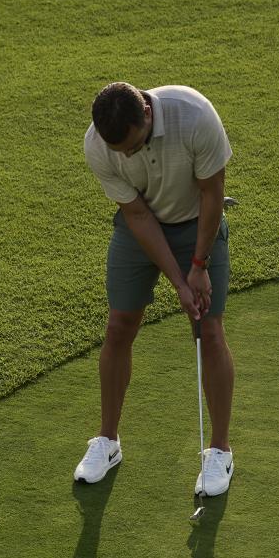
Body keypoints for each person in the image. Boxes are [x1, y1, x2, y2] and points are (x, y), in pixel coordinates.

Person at [76, 82, 236, 499]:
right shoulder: (98, 145)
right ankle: (107, 441)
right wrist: (179, 282)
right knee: (119, 326)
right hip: (140, 229)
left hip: (198, 222)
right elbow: (136, 214)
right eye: (121, 152)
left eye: (133, 146)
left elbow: (212, 192)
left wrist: (198, 267)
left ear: (147, 114)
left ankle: (220, 450)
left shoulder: (195, 115)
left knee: (208, 330)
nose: (127, 156)